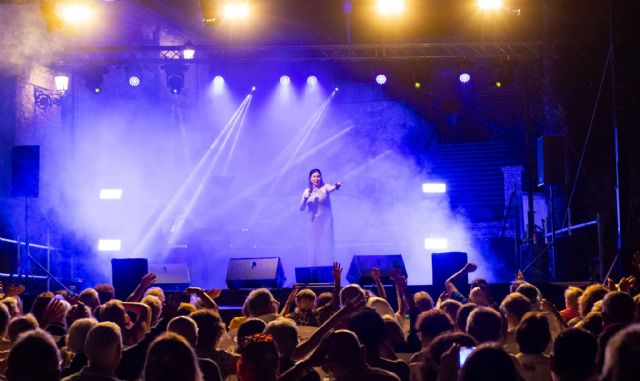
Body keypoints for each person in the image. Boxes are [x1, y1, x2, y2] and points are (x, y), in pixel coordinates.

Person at [299, 168, 342, 266]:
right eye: (314, 176)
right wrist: (305, 199)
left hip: (325, 223)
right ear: (310, 178)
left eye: (318, 176)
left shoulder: (325, 187)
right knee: (313, 247)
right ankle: (313, 268)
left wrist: (337, 185)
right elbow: (301, 208)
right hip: (313, 224)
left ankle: (328, 267)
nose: (316, 178)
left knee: (325, 246)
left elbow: (332, 188)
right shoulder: (307, 191)